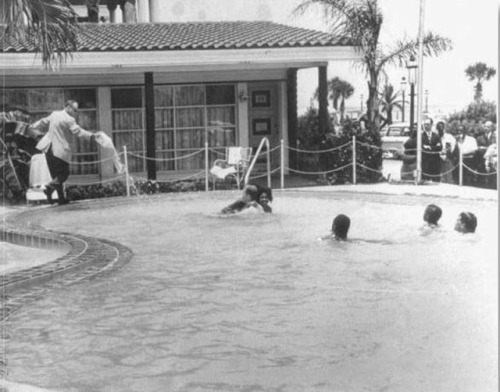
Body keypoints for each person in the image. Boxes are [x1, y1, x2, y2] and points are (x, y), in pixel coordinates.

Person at [30, 100, 97, 205]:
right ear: (68, 107)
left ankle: (59, 198)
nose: (75, 112)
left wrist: (34, 125)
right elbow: (78, 131)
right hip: (60, 150)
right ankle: (49, 187)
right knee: (64, 174)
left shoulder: (54, 114)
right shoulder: (69, 119)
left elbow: (44, 121)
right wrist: (91, 135)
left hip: (48, 148)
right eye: (74, 110)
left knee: (56, 176)